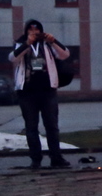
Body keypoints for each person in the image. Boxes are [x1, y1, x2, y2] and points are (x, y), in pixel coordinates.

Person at [10, 19, 72, 169]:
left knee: (52, 126)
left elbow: (65, 54)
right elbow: (13, 58)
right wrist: (27, 43)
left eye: (37, 31)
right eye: (31, 31)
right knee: (31, 127)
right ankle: (36, 159)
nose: (34, 34)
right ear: (26, 32)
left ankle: (56, 158)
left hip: (47, 91)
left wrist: (54, 41)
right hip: (27, 92)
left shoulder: (47, 45)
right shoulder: (20, 44)